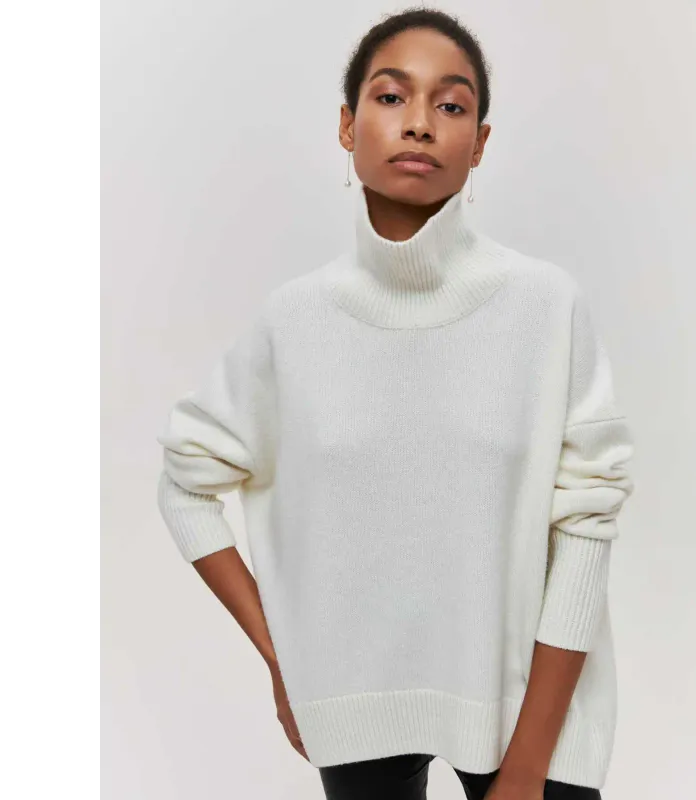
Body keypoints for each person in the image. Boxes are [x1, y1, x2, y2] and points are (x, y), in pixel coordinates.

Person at [156, 8, 634, 800]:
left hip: (533, 717)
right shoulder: (293, 322)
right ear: (347, 126)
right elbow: (185, 484)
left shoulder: (546, 307)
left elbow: (586, 529)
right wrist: (285, 661)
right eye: (390, 97)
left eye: (451, 105)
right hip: (353, 706)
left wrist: (527, 765)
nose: (419, 123)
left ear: (479, 143)